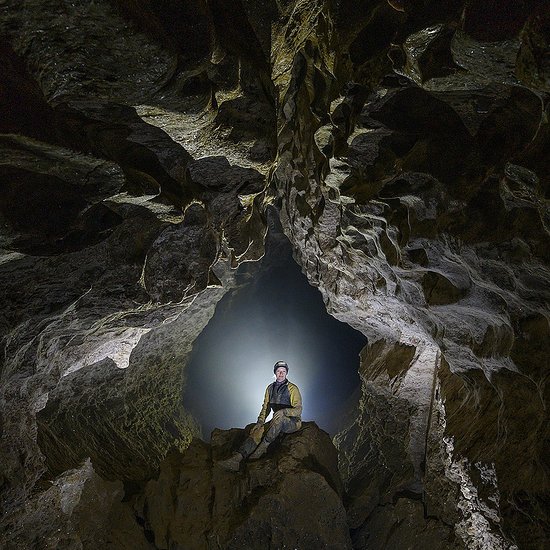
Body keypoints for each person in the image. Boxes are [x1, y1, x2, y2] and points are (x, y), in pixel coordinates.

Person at [218, 360, 302, 471]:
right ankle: (237, 458)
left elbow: (298, 409)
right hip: (276, 421)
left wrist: (285, 412)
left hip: (292, 422)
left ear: (286, 373)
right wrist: (260, 421)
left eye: (283, 371)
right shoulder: (270, 389)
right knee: (258, 430)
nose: (281, 373)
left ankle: (261, 450)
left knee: (279, 418)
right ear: (275, 373)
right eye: (278, 371)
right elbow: (265, 408)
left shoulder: (292, 388)